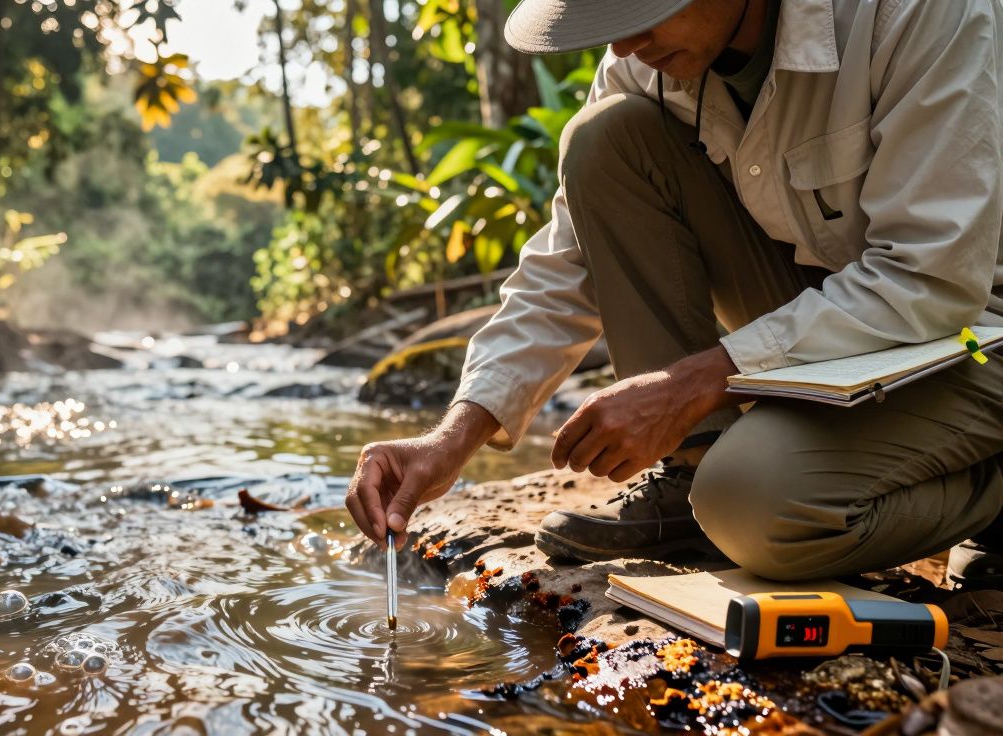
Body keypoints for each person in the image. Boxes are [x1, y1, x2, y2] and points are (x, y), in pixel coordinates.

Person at [345, 0, 1003, 587]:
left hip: (973, 334)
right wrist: (450, 440)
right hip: (842, 312)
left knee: (752, 505)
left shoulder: (915, 11)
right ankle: (693, 475)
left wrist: (697, 382)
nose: (623, 46)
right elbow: (565, 261)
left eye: (637, 13)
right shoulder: (648, 57)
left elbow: (928, 280)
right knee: (605, 140)